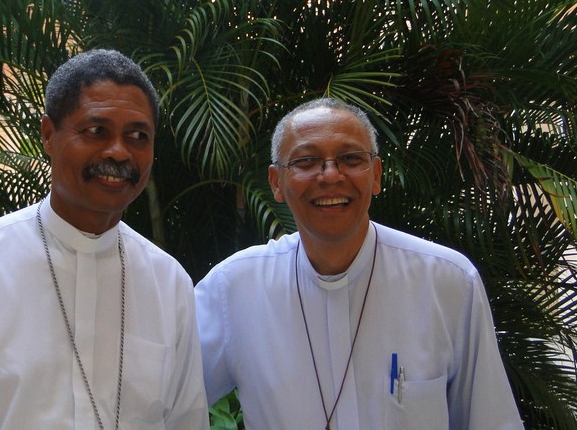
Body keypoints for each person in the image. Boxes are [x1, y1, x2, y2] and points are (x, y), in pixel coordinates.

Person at [0, 49, 209, 430]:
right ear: (48, 135)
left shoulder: (169, 284)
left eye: (138, 136)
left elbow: (187, 421)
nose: (119, 151)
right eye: (96, 131)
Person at [194, 97, 523, 429]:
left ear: (376, 175)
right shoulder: (234, 288)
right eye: (306, 161)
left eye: (351, 159)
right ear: (276, 182)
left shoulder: (447, 282)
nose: (330, 175)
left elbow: (491, 421)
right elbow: (172, 397)